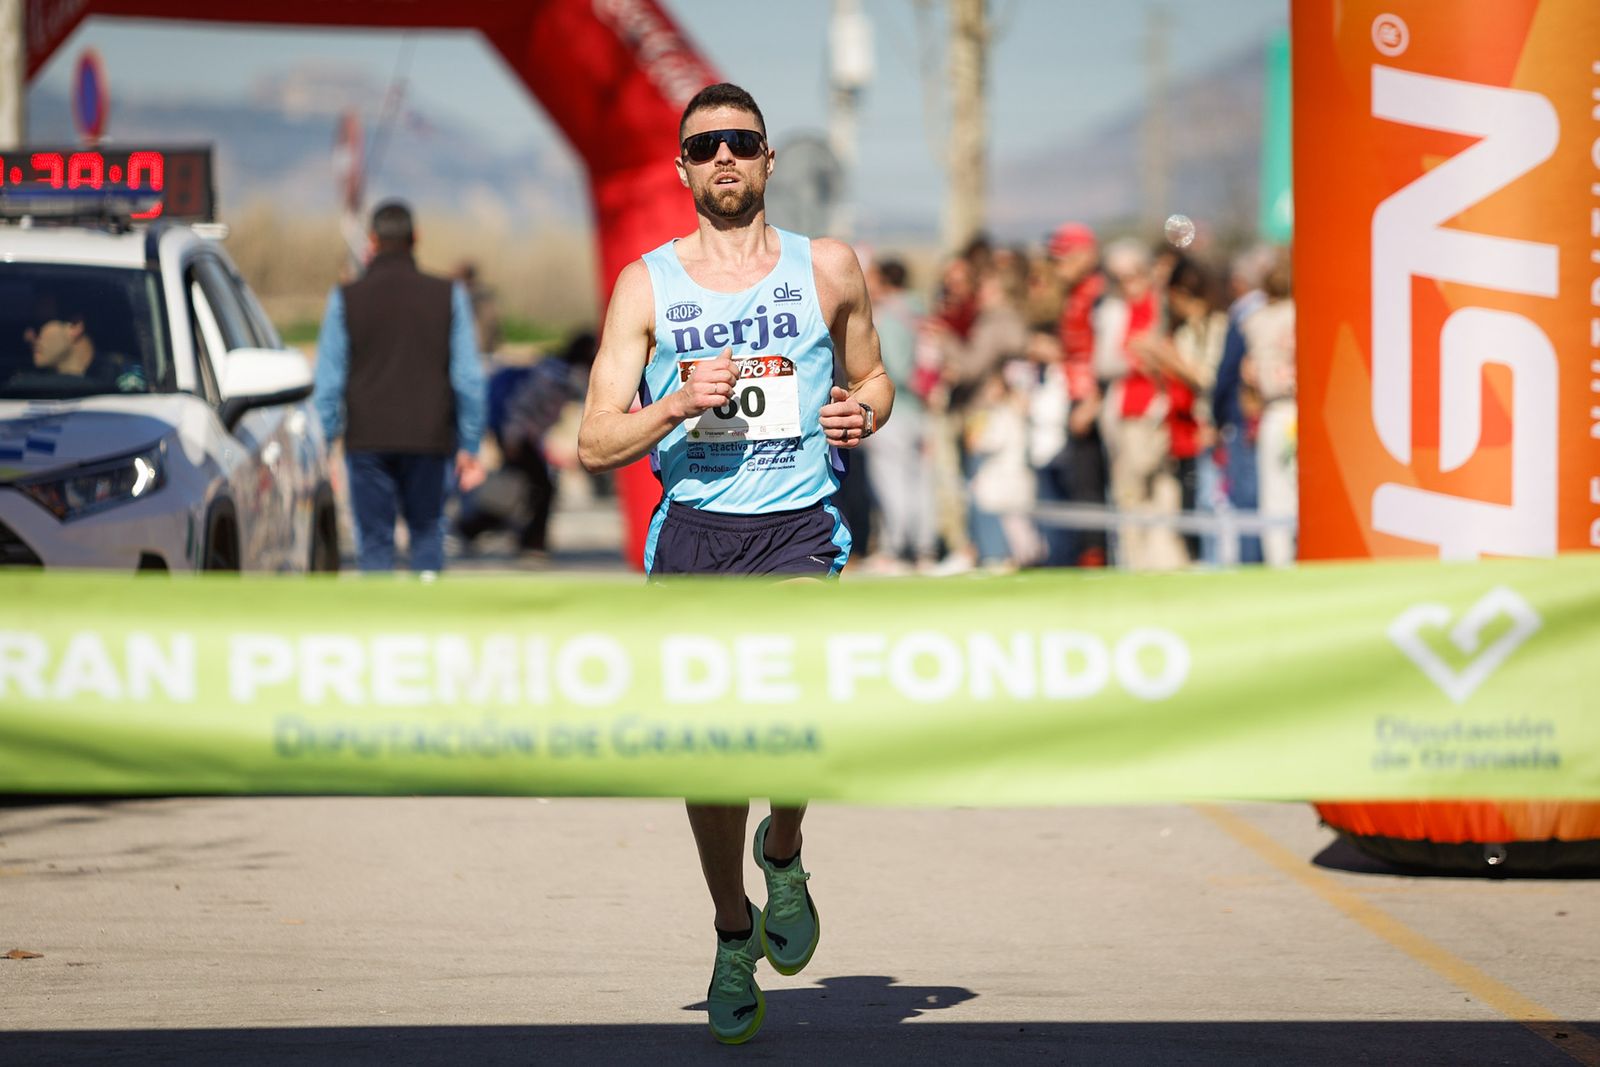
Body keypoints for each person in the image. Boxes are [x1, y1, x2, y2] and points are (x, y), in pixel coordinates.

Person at [575, 82, 891, 1045]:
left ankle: (783, 850)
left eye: (742, 142)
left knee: (793, 707)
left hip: (796, 525)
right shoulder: (646, 285)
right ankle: (729, 926)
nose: (724, 157)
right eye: (706, 144)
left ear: (767, 160)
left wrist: (862, 412)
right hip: (696, 536)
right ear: (681, 167)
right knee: (708, 747)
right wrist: (674, 404)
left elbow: (875, 379)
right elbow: (593, 439)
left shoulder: (826, 267)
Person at [313, 199, 487, 575]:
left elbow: (328, 382)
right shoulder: (450, 295)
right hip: (430, 440)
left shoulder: (345, 298)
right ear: (416, 237)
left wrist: (324, 443)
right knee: (427, 535)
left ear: (372, 241)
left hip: (366, 441)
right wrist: (470, 444)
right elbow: (468, 378)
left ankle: (378, 612)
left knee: (375, 542)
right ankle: (428, 606)